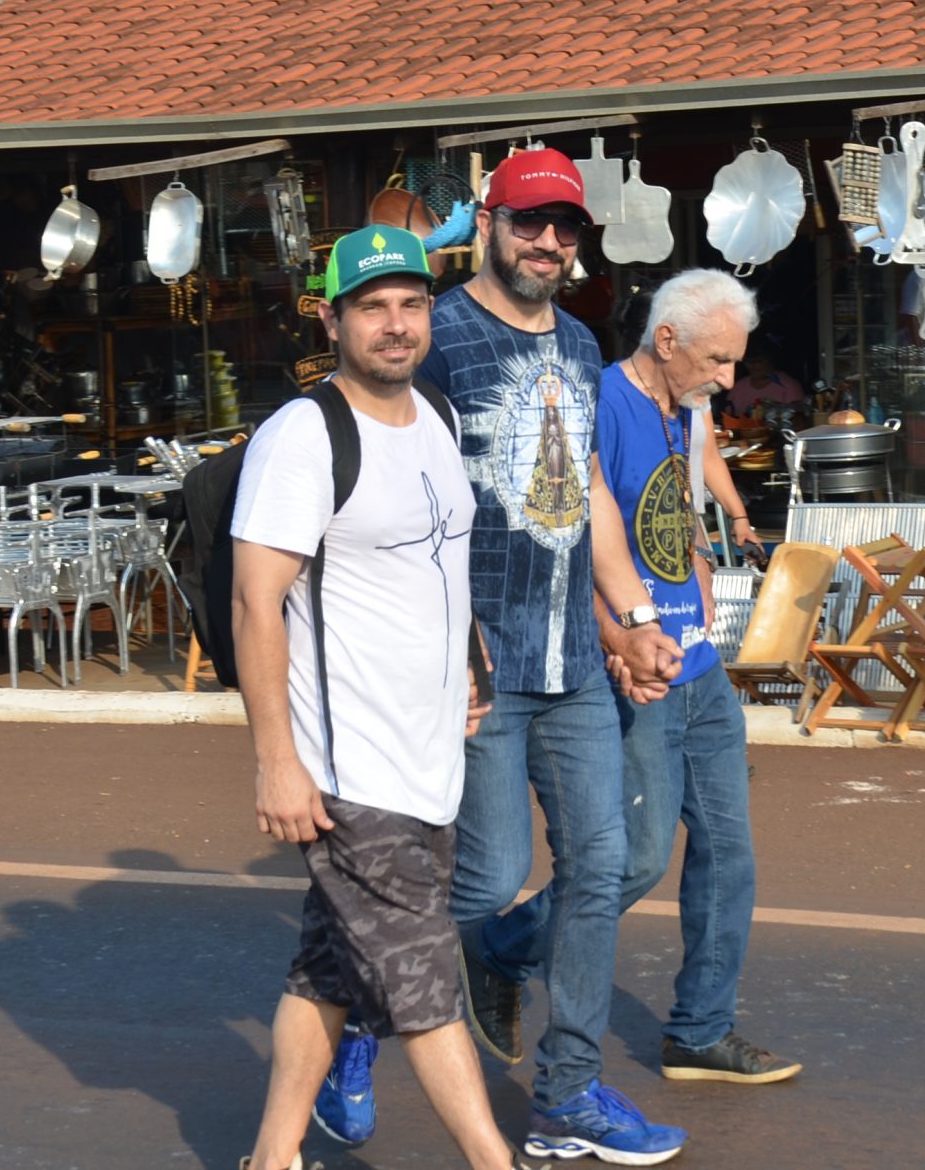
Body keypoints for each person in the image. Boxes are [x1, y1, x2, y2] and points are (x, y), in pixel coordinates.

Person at [318, 149, 688, 1167]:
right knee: (481, 880)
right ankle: (359, 1011)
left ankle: (566, 1096)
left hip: (572, 659)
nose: (549, 243)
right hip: (477, 665)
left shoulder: (577, 340)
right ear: (488, 221)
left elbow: (595, 496)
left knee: (607, 862)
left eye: (565, 228)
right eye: (530, 223)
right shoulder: (436, 340)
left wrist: (635, 612)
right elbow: (398, 501)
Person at [228, 226, 523, 1170]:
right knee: (422, 980)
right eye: (372, 308)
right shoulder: (305, 437)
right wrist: (278, 761)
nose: (395, 326)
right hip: (351, 768)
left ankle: (271, 1160)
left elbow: (440, 560)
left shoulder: (433, 415)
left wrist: (467, 665)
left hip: (426, 751)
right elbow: (254, 601)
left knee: (328, 970)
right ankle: (494, 1160)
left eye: (410, 305)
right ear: (333, 318)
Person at [505, 270, 803, 1086]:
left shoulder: (687, 406)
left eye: (735, 362)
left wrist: (708, 550)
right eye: (716, 360)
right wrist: (613, 637)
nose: (728, 379)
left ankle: (700, 1030)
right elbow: (568, 539)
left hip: (699, 670)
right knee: (632, 862)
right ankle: (499, 947)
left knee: (728, 856)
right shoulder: (601, 401)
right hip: (634, 672)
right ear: (665, 340)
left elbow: (677, 508)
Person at [726, 352, 804, 419]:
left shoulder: (789, 386)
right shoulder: (738, 386)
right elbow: (728, 416)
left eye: (758, 361)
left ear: (771, 360)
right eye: (748, 361)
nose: (752, 366)